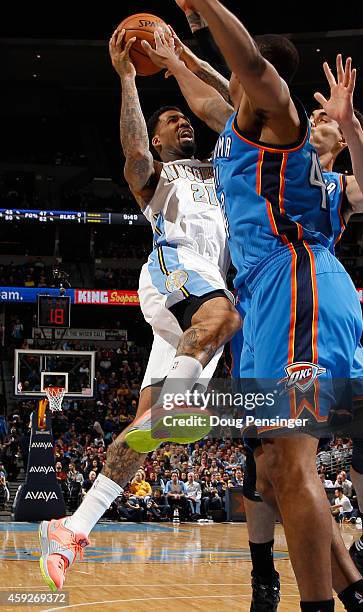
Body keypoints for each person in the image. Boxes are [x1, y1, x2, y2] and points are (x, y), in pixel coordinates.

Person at [141, 3, 363, 610]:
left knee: (296, 454)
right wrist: (174, 58)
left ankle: (337, 586)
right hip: (265, 300)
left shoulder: (285, 130)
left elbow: (246, 65)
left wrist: (204, 6)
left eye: (326, 117)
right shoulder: (236, 138)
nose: (322, 118)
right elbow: (210, 95)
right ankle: (354, 588)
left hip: (296, 286)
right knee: (272, 464)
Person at [38, 25, 241, 593]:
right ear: (158, 135)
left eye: (184, 116)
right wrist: (129, 77)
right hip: (178, 275)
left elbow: (231, 107)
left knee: (145, 434)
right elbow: (132, 151)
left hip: (191, 308)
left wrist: (181, 61)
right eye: (169, 118)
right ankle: (179, 407)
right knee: (225, 319)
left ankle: (71, 529)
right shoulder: (161, 177)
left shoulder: (222, 173)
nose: (181, 120)